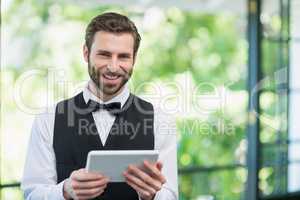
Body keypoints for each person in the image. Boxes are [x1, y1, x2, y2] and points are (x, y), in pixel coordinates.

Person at [21, 12, 178, 200]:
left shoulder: (160, 120)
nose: (113, 66)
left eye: (123, 57)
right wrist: (64, 191)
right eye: (104, 55)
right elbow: (32, 194)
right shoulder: (48, 119)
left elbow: (170, 195)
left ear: (134, 59)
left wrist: (152, 196)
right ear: (86, 53)